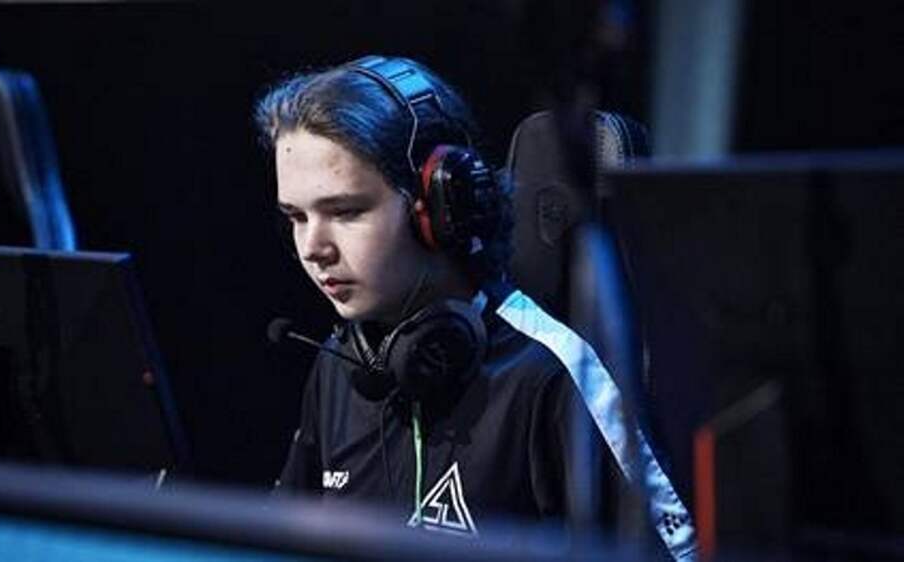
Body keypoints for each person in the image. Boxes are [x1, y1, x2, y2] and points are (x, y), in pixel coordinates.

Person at [255, 55, 695, 560]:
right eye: (296, 217)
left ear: (441, 207)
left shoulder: (550, 373)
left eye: (345, 211)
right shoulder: (343, 365)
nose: (312, 248)